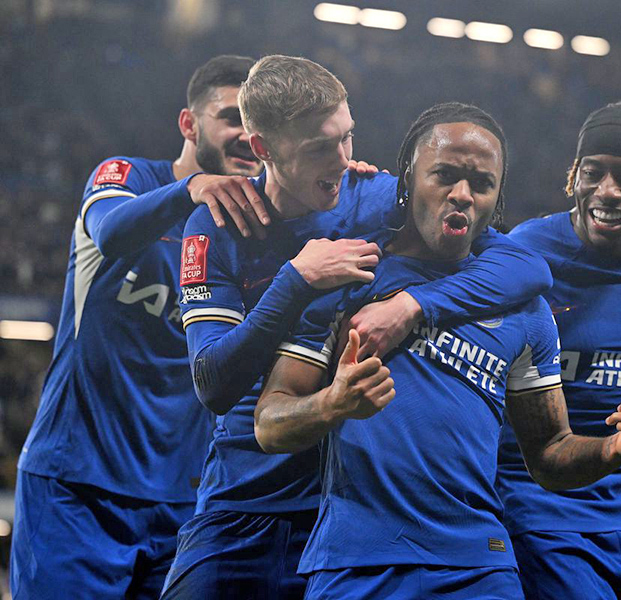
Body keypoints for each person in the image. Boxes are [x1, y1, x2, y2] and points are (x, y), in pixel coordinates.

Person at [161, 59, 555, 599]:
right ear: (263, 148)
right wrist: (295, 280)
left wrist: (412, 304)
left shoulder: (374, 196)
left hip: (345, 520)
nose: (344, 159)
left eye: (347, 137)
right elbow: (214, 383)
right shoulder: (217, 223)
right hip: (245, 498)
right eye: (320, 148)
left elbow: (526, 265)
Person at [254, 101, 621, 600]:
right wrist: (331, 404)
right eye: (445, 175)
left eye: (481, 184)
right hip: (357, 564)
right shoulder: (348, 275)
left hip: (481, 569)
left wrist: (610, 450)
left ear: (497, 199)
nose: (462, 195)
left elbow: (549, 453)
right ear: (408, 178)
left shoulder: (525, 309)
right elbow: (269, 424)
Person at [8, 55, 278, 599]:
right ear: (189, 124)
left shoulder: (255, 235)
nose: (246, 137)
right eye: (231, 118)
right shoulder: (127, 178)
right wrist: (191, 189)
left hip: (184, 504)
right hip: (76, 487)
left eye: (258, 127)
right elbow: (110, 230)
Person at [492, 103, 621, 599]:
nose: (607, 191)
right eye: (593, 172)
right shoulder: (525, 252)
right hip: (537, 513)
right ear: (572, 177)